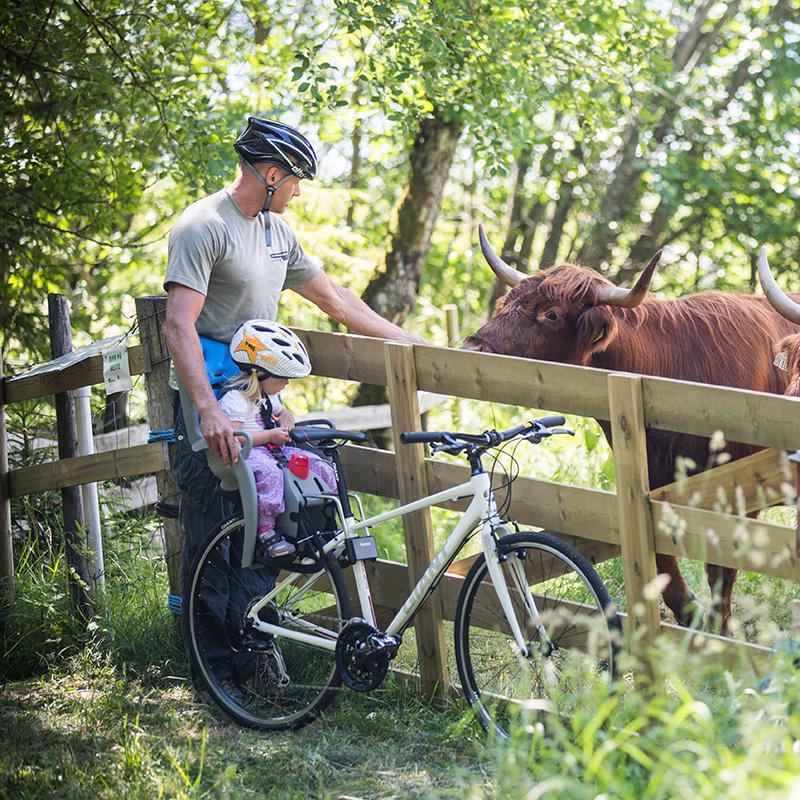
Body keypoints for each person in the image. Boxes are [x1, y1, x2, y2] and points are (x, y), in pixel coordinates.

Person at [164, 116, 423, 691]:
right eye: (298, 180)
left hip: (257, 402)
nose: (301, 192)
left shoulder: (278, 235)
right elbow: (178, 327)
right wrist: (206, 410)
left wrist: (415, 345)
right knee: (212, 533)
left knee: (265, 530)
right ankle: (214, 676)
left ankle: (256, 662)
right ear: (271, 173)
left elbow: (337, 301)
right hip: (207, 404)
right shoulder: (203, 228)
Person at [219, 319, 336, 560]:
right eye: (282, 377)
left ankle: (326, 522)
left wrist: (286, 417)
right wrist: (270, 435)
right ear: (259, 372)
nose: (286, 383)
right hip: (249, 453)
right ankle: (267, 532)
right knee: (271, 474)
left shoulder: (269, 396)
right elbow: (234, 438)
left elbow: (282, 412)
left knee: (321, 466)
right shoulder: (236, 400)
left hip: (275, 450)